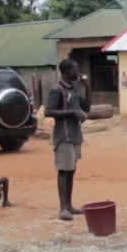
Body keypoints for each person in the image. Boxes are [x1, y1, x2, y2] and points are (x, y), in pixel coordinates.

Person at [45, 59, 90, 221]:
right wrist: (71, 113)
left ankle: (69, 205)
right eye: (75, 69)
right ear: (66, 71)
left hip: (75, 134)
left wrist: (87, 88)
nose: (77, 72)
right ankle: (63, 208)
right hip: (63, 135)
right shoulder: (56, 90)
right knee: (64, 171)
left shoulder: (75, 88)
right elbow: (48, 112)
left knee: (71, 170)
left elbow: (86, 108)